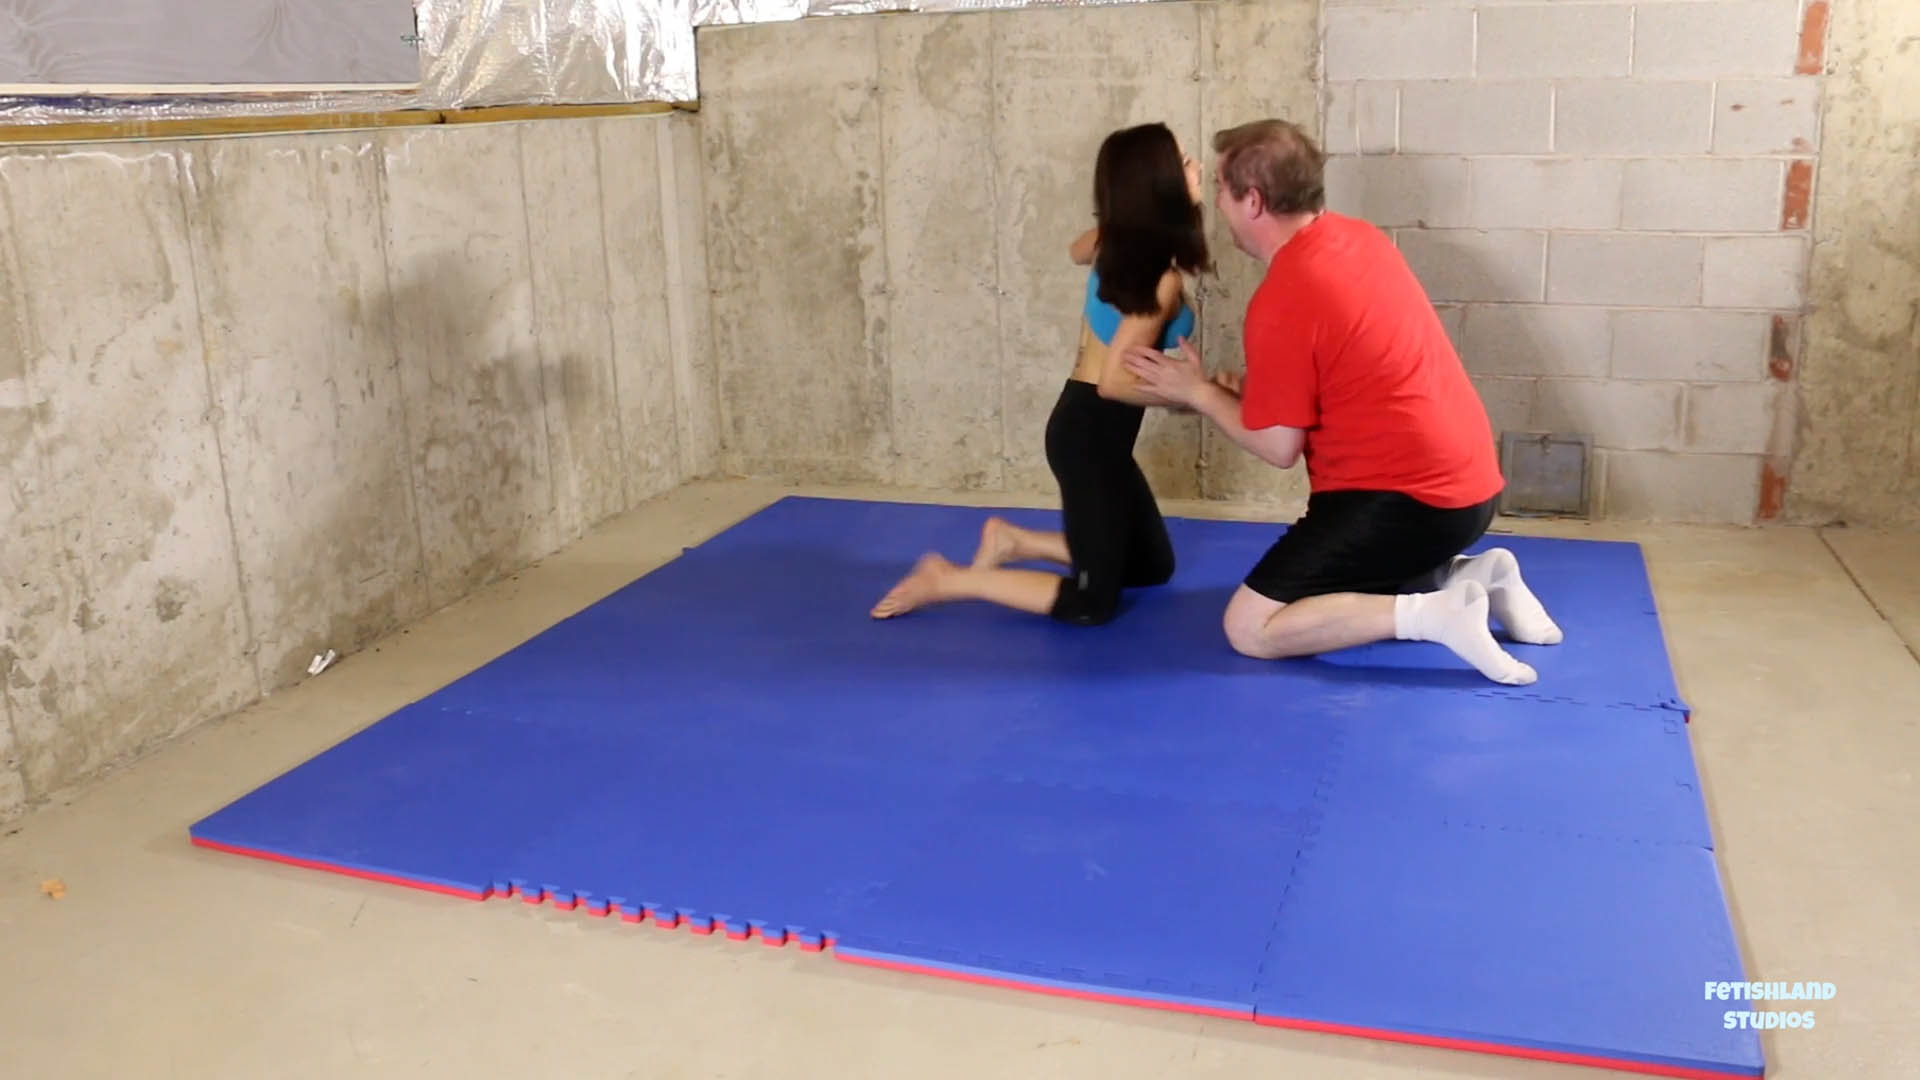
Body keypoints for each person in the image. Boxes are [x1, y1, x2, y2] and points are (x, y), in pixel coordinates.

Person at [1120, 118, 1561, 685]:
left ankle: (1438, 613)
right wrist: (1253, 388)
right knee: (1343, 581)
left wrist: (1198, 392)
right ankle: (1479, 575)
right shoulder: (1359, 238)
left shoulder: (1283, 297)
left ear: (1253, 201)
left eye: (1223, 191)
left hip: (1409, 504)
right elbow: (1351, 368)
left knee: (1251, 627)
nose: (1218, 205)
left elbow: (1278, 448)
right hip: (1471, 491)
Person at [870, 122, 1211, 625]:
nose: (1197, 167)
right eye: (1183, 162)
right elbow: (1114, 383)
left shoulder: (1117, 245)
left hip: (1095, 431)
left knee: (1150, 564)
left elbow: (1076, 249)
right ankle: (949, 579)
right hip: (1089, 437)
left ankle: (1014, 541)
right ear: (1156, 182)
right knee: (1093, 604)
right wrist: (1194, 394)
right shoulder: (1159, 279)